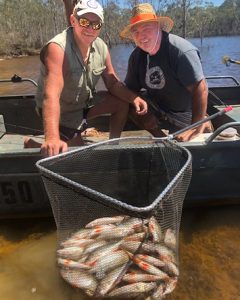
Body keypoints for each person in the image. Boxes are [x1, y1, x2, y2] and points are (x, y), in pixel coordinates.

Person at [24, 0, 147, 156]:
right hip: (63, 111)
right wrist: (52, 138)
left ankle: (113, 147)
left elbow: (113, 83)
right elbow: (51, 95)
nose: (90, 28)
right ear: (73, 20)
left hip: (83, 103)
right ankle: (32, 144)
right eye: (84, 21)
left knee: (121, 102)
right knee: (78, 156)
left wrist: (134, 98)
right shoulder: (58, 48)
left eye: (96, 24)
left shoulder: (101, 46)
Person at [120, 3, 212, 142]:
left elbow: (201, 88)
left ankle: (202, 123)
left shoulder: (180, 51)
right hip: (160, 110)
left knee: (198, 129)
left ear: (158, 27)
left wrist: (195, 127)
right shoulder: (136, 57)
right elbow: (129, 90)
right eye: (136, 32)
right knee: (126, 103)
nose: (141, 36)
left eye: (146, 28)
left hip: (187, 112)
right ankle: (162, 140)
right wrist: (141, 110)